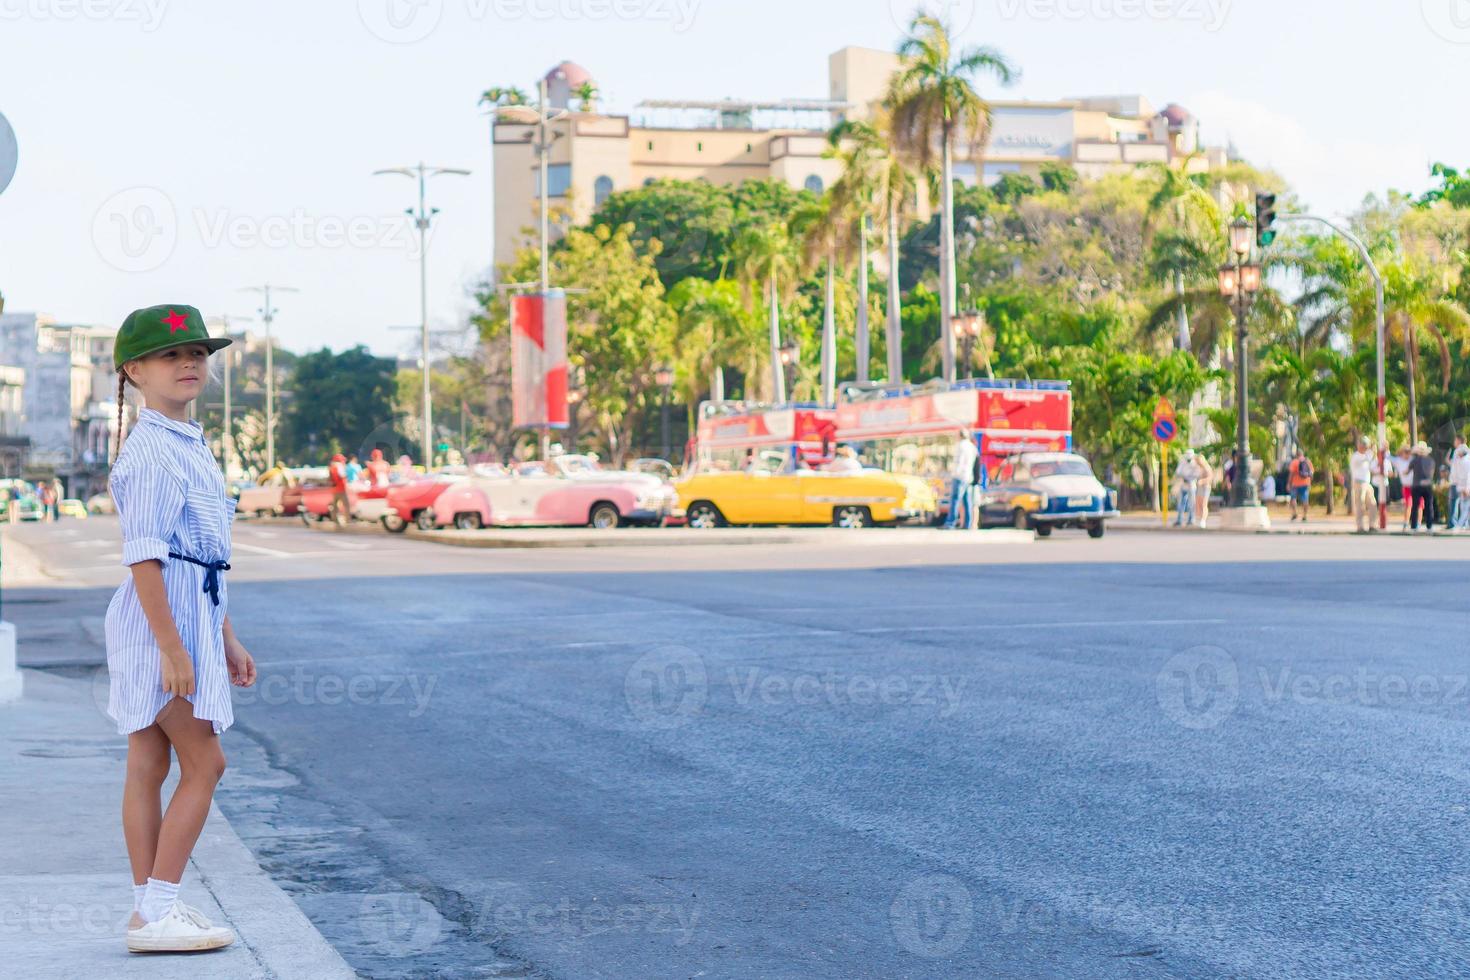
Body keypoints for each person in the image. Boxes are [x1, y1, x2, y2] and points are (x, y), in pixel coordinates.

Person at [105, 305, 256, 953]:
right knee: (206, 763)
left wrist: (224, 636)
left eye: (197, 351)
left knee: (149, 760)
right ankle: (159, 907)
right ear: (134, 370)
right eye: (170, 355)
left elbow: (204, 556)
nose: (190, 362)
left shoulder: (184, 443)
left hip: (184, 614)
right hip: (157, 622)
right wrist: (173, 645)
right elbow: (144, 555)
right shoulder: (150, 454)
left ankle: (150, 912)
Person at [945, 431, 978, 529]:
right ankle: (967, 524)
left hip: (960, 476)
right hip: (968, 477)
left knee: (955, 499)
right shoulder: (972, 447)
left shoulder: (961, 445)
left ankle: (950, 523)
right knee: (967, 501)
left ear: (960, 435)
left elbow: (959, 461)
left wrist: (955, 474)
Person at [1349, 438, 1378, 533]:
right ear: (1360, 445)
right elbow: (1367, 458)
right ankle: (1360, 527)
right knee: (1360, 505)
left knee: (1372, 504)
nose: (1365, 447)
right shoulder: (1356, 456)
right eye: (1364, 445)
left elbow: (1372, 463)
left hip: (1367, 483)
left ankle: (1372, 525)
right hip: (1358, 483)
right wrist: (1372, 450)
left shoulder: (1366, 456)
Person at [1408, 440, 1436, 531]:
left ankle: (1413, 526)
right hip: (1428, 485)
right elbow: (1432, 473)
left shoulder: (1414, 460)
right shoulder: (1431, 461)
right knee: (1429, 506)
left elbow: (1407, 471)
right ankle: (1429, 526)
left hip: (1416, 485)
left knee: (1415, 506)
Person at [1173, 450, 1202, 527]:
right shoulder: (1183, 462)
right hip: (1184, 485)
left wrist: (1189, 477)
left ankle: (1191, 520)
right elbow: (1178, 472)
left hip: (1192, 485)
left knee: (1191, 503)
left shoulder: (1195, 463)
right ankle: (1179, 520)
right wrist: (1184, 476)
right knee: (1181, 503)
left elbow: (1197, 473)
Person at [1287, 448, 1313, 522]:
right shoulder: (1308, 461)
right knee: (1305, 499)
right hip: (1306, 483)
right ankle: (1305, 516)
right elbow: (1311, 473)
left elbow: (1291, 474)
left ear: (1296, 454)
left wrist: (1289, 483)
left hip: (1295, 484)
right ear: (1302, 454)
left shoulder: (1294, 462)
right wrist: (1310, 483)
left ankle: (1294, 513)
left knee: (1293, 498)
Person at [1391, 444, 1413, 530]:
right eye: (1405, 452)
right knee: (1408, 505)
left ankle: (1417, 524)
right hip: (1406, 487)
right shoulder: (1398, 461)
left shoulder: (1412, 460)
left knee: (1419, 505)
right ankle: (1406, 523)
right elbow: (1388, 457)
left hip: (1415, 486)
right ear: (1402, 453)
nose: (1407, 454)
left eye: (1409, 452)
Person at [1193, 452, 1215, 529]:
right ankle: (1200, 519)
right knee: (1198, 503)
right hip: (1199, 488)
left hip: (1205, 487)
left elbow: (1210, 478)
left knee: (1203, 504)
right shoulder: (1199, 468)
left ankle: (1203, 520)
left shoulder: (1207, 467)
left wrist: (1202, 481)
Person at [1452, 444, 1470, 530]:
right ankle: (1465, 525)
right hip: (1462, 487)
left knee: (1465, 507)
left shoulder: (1466, 462)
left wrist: (1466, 488)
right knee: (1464, 507)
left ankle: (1460, 525)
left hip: (1466, 488)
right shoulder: (1460, 461)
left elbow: (1468, 476)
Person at [328, 452, 349, 525]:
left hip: (334, 489)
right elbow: (343, 476)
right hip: (341, 489)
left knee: (335, 506)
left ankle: (334, 519)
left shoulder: (331, 467)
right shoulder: (340, 466)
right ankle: (347, 521)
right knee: (346, 505)